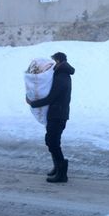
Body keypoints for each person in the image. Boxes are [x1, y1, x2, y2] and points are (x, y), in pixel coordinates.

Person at [26, 52, 75, 183]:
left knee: (53, 143)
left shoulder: (62, 77)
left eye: (53, 62)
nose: (51, 65)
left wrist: (33, 103)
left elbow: (51, 97)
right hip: (56, 113)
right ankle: (57, 168)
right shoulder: (61, 75)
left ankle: (62, 174)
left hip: (58, 114)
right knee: (51, 141)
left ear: (58, 61)